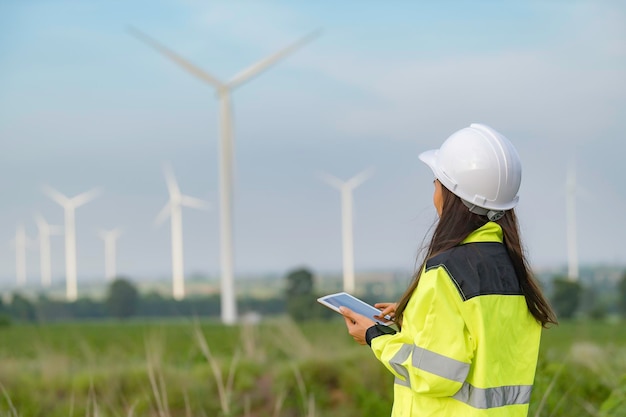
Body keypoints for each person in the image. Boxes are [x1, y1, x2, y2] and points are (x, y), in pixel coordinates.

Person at [340, 123, 557, 417]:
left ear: (451, 195)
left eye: (436, 182)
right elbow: (478, 337)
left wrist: (374, 337)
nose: (434, 191)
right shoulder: (511, 269)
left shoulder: (447, 271)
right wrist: (415, 316)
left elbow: (434, 375)